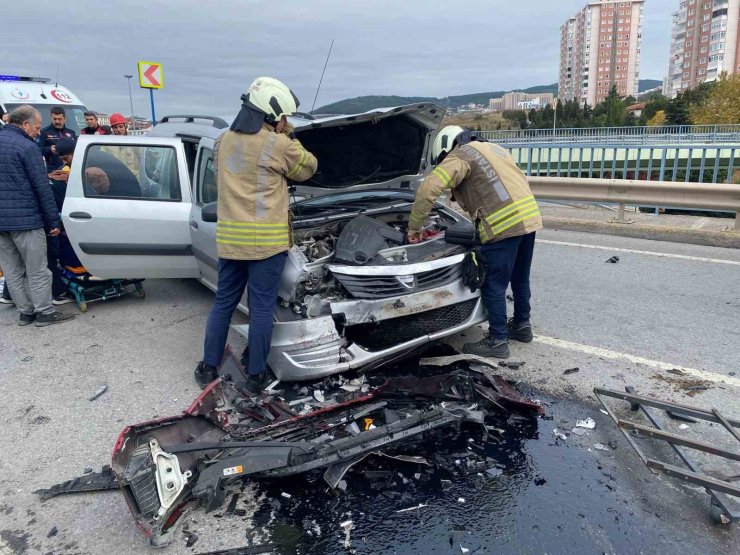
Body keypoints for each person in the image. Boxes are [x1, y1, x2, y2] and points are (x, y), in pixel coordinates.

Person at [194, 77, 318, 395]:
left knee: (224, 302)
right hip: (265, 243)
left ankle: (208, 367)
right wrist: (290, 135)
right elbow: (309, 168)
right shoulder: (278, 143)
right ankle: (256, 374)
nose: (284, 122)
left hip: (231, 241)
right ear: (270, 114)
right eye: (282, 117)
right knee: (262, 308)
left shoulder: (222, 141)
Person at [407, 125, 542, 359]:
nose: (443, 161)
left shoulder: (458, 155)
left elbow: (428, 188)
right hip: (529, 219)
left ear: (444, 149)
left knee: (493, 283)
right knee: (520, 278)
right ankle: (522, 327)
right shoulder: (493, 148)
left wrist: (414, 227)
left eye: (441, 159)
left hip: (503, 225)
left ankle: (498, 340)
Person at [0, 105, 74, 326]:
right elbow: (42, 187)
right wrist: (53, 220)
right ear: (25, 124)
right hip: (27, 221)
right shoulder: (27, 147)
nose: (39, 133)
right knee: (38, 269)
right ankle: (44, 312)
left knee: (12, 271)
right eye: (37, 127)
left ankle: (26, 313)